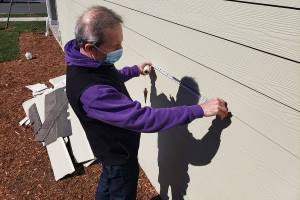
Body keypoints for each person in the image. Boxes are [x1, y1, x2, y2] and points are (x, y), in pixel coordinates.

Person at [64, 6, 228, 200]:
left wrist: (133, 70)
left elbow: (109, 78)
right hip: (119, 154)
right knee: (120, 186)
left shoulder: (86, 59)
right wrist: (199, 109)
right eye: (115, 46)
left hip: (109, 150)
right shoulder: (92, 92)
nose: (120, 50)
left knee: (108, 180)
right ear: (90, 47)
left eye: (121, 43)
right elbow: (144, 118)